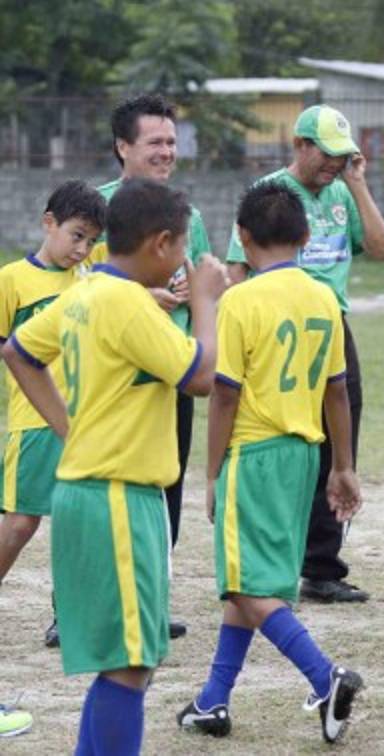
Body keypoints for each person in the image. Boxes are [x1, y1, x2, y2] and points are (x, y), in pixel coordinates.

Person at [1, 178, 226, 755]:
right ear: (160, 243)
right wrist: (207, 301)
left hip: (99, 490)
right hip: (115, 497)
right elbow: (201, 378)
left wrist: (68, 427)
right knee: (129, 666)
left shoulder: (85, 291)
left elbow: (19, 352)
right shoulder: (125, 301)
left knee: (129, 664)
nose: (182, 261)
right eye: (180, 248)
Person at [178, 183, 363, 743]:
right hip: (304, 455)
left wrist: (211, 475)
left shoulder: (239, 300)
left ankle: (324, 675)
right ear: (306, 238)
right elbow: (337, 391)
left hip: (253, 455)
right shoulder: (323, 299)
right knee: (250, 581)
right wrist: (343, 466)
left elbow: (224, 393)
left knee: (245, 581)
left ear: (241, 236)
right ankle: (213, 702)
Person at [226, 104, 384, 605]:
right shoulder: (269, 195)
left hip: (331, 326)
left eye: (344, 156)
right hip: (277, 328)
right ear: (299, 146)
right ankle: (266, 560)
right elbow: (238, 272)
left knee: (339, 442)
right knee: (278, 441)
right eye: (327, 154)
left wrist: (359, 184)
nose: (335, 164)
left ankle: (322, 568)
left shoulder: (344, 191)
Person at [62, 93, 212, 645]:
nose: (166, 152)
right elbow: (72, 282)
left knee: (164, 485)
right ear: (123, 147)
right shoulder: (97, 210)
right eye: (155, 142)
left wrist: (197, 308)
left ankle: (151, 595)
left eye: (172, 142)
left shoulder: (184, 215)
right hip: (107, 372)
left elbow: (203, 288)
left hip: (170, 367)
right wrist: (143, 295)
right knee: (93, 485)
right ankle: (71, 606)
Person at [0, 182, 105, 618]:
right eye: (77, 235)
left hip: (86, 421)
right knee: (23, 522)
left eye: (92, 241)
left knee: (80, 522)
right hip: (35, 425)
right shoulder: (12, 281)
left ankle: (70, 615)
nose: (82, 249)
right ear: (49, 223)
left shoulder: (91, 281)